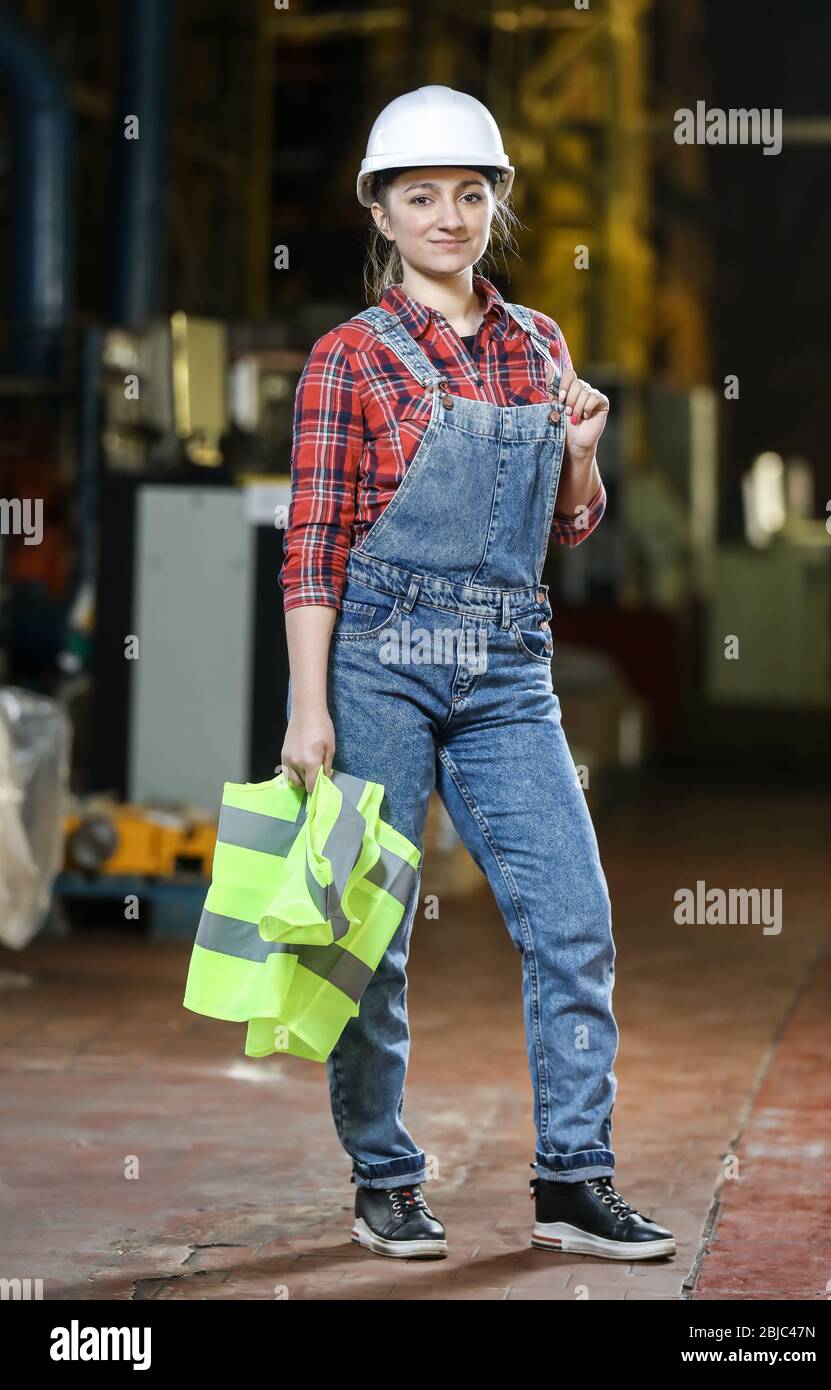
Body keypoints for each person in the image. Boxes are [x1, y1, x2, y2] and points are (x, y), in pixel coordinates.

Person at [279, 86, 675, 1263]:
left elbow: (568, 529)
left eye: (468, 193)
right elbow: (312, 542)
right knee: (367, 932)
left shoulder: (537, 342)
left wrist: (582, 458)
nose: (446, 215)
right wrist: (309, 709)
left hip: (506, 665)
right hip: (379, 664)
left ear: (493, 204)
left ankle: (573, 1180)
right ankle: (384, 1177)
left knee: (572, 918)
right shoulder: (346, 358)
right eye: (420, 196)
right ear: (382, 212)